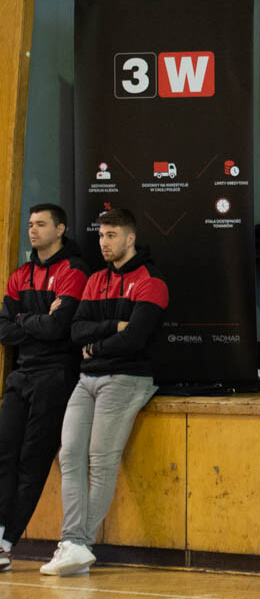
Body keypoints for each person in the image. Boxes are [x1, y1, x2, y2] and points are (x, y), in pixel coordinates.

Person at [39, 208, 168, 576]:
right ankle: (72, 545)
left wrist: (96, 346)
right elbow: (76, 330)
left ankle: (78, 544)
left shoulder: (151, 281)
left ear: (130, 238)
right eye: (100, 235)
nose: (104, 242)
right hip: (87, 380)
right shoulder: (95, 279)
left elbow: (135, 338)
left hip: (127, 378)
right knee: (70, 456)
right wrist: (112, 326)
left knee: (100, 461)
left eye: (112, 235)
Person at [0, 204, 88, 571]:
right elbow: (3, 328)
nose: (33, 230)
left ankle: (6, 542)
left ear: (60, 229)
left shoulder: (74, 270)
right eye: (30, 224)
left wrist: (23, 320)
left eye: (41, 224)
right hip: (21, 375)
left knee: (32, 461)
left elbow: (59, 328)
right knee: (4, 453)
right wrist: (35, 320)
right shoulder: (21, 274)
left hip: (56, 376)